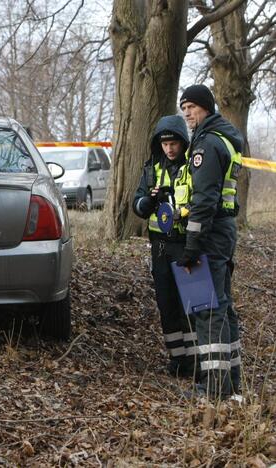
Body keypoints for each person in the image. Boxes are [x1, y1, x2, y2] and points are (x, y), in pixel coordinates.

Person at [176, 84, 243, 399]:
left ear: (207, 107)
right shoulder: (222, 139)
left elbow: (204, 200)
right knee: (223, 306)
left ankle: (214, 389)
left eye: (192, 106)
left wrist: (192, 245)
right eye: (184, 107)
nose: (187, 112)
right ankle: (230, 383)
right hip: (222, 231)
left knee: (207, 309)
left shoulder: (207, 145)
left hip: (209, 234)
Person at [133, 115, 197, 378]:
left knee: (192, 306)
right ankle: (177, 361)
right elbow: (136, 205)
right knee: (167, 305)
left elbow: (202, 204)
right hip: (159, 248)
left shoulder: (193, 167)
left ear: (182, 143)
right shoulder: (151, 169)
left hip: (186, 245)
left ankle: (195, 363)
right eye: (165, 144)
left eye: (174, 144)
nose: (169, 149)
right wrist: (147, 203)